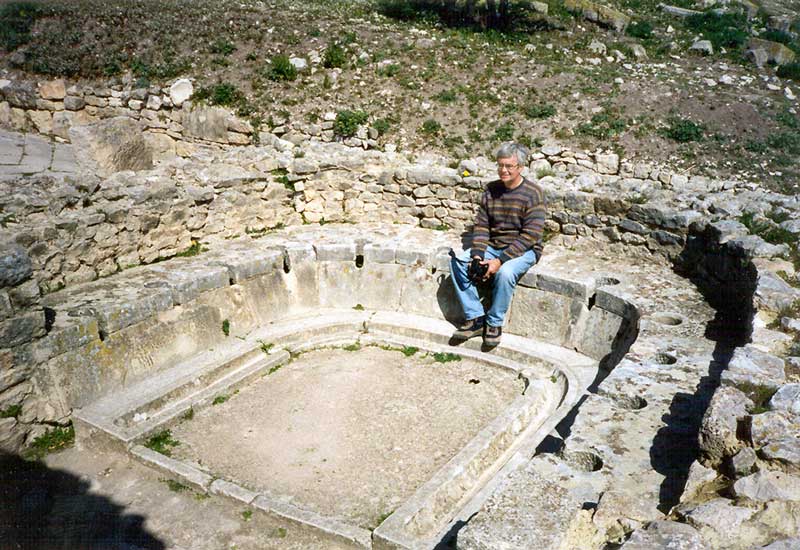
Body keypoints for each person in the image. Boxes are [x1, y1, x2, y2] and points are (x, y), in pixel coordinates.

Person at [450, 142, 546, 346]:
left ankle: (494, 322)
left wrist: (499, 261)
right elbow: (482, 225)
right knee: (459, 260)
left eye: (509, 166)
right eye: (500, 165)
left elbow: (530, 235)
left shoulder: (533, 193)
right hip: (494, 245)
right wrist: (477, 255)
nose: (503, 170)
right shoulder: (491, 190)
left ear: (520, 167)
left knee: (505, 273)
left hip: (524, 250)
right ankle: (475, 317)